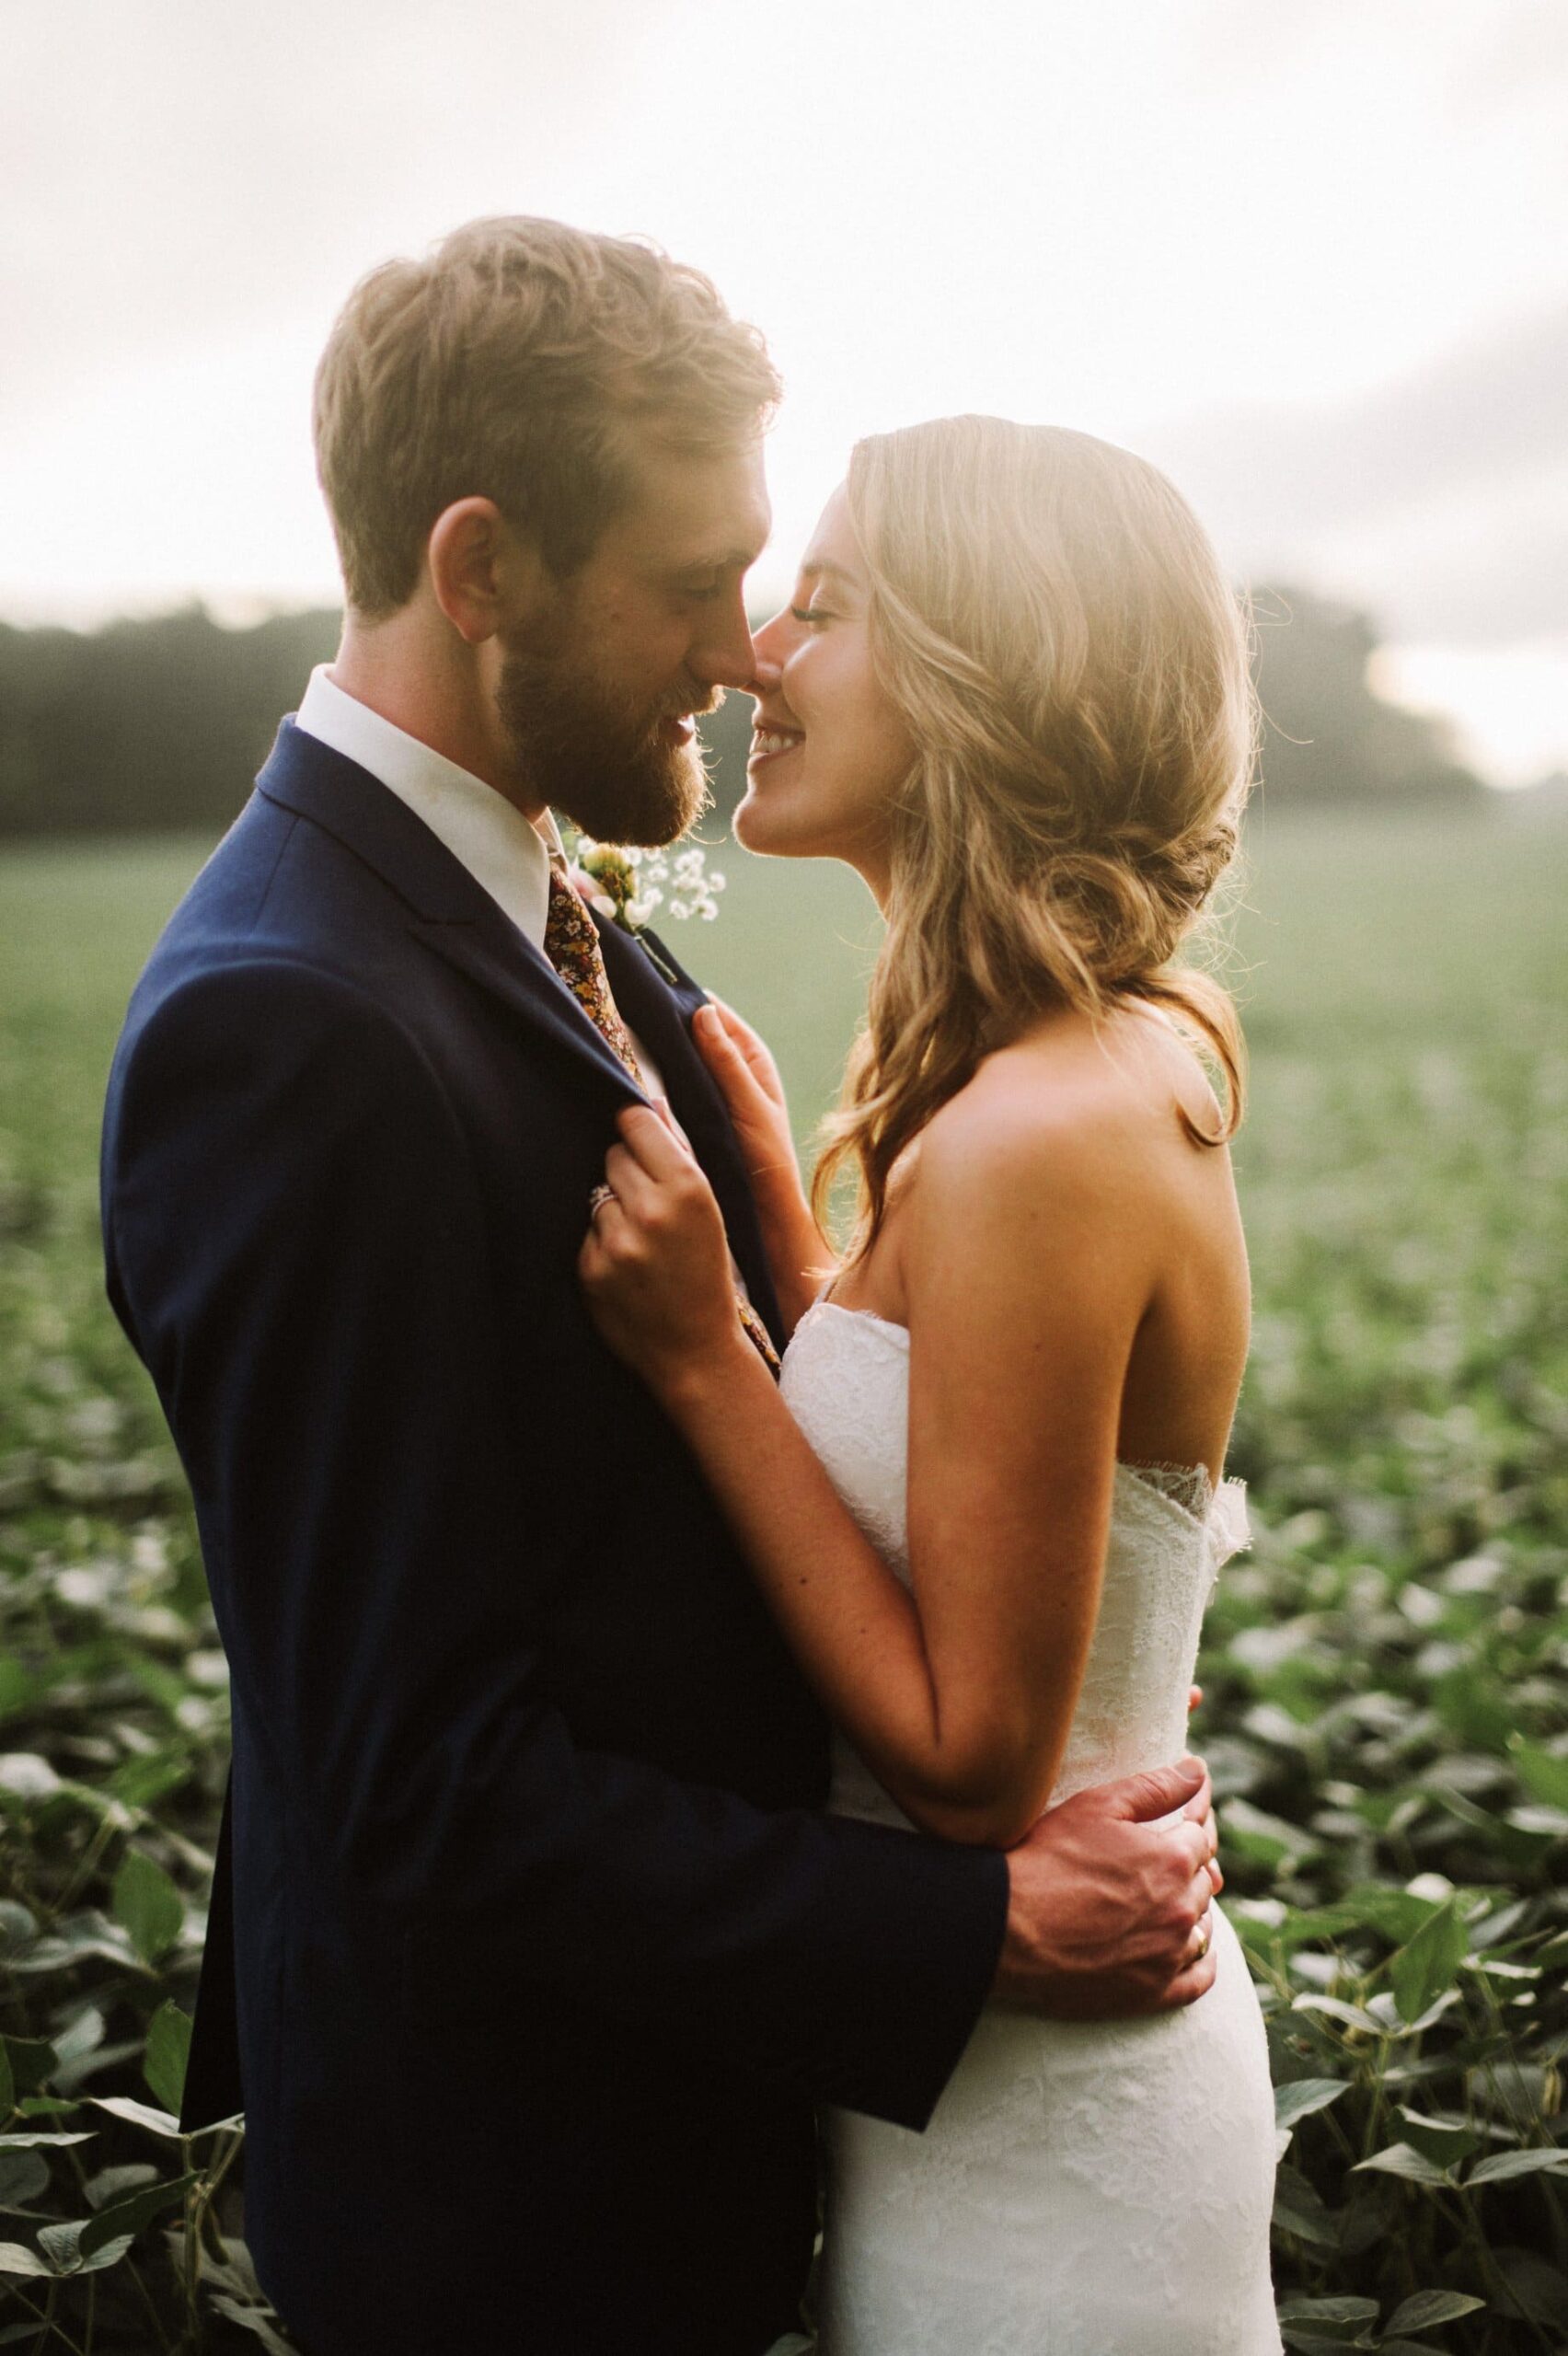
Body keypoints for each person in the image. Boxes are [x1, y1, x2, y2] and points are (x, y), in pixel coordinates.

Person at [100, 224, 1223, 2356]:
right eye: (698, 580)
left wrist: (780, 1307)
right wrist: (969, 1923)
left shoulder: (544, 898)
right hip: (513, 2211)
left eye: (786, 582)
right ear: (483, 568)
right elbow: (418, 1773)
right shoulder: (289, 1025)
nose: (742, 644)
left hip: (710, 2127)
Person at [581, 416, 1281, 2352]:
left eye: (827, 607)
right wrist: (811, 1276)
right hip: (976, 2088)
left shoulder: (1037, 1135)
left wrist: (713, 1351)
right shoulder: (1057, 1077)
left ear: (996, 657)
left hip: (1054, 2150)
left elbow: (975, 1760)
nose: (755, 656)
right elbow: (967, 1459)